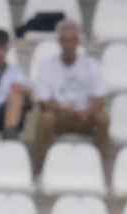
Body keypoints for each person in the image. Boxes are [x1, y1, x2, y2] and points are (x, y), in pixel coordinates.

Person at [31, 19, 108, 171]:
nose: (69, 45)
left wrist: (88, 111)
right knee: (46, 119)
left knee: (103, 118)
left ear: (78, 42)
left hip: (84, 117)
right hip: (60, 117)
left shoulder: (91, 65)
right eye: (65, 40)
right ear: (59, 42)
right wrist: (64, 111)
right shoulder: (47, 67)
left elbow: (99, 98)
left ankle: (99, 167)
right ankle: (39, 169)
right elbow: (44, 102)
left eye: (72, 40)